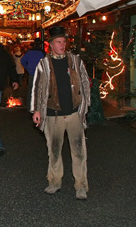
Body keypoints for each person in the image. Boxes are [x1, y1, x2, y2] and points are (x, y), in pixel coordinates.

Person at [30, 26, 91, 200]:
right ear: (51, 44)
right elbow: (36, 87)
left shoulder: (75, 61)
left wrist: (85, 105)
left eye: (64, 42)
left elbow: (85, 82)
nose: (62, 45)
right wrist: (36, 109)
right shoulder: (44, 64)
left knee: (79, 151)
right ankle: (55, 181)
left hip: (74, 114)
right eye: (58, 42)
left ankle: (81, 185)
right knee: (54, 150)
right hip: (52, 114)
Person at [21, 38, 45, 112]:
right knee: (40, 90)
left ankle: (30, 107)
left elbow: (22, 60)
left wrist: (28, 68)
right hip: (40, 73)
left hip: (31, 73)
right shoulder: (42, 53)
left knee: (31, 91)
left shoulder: (29, 52)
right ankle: (39, 107)